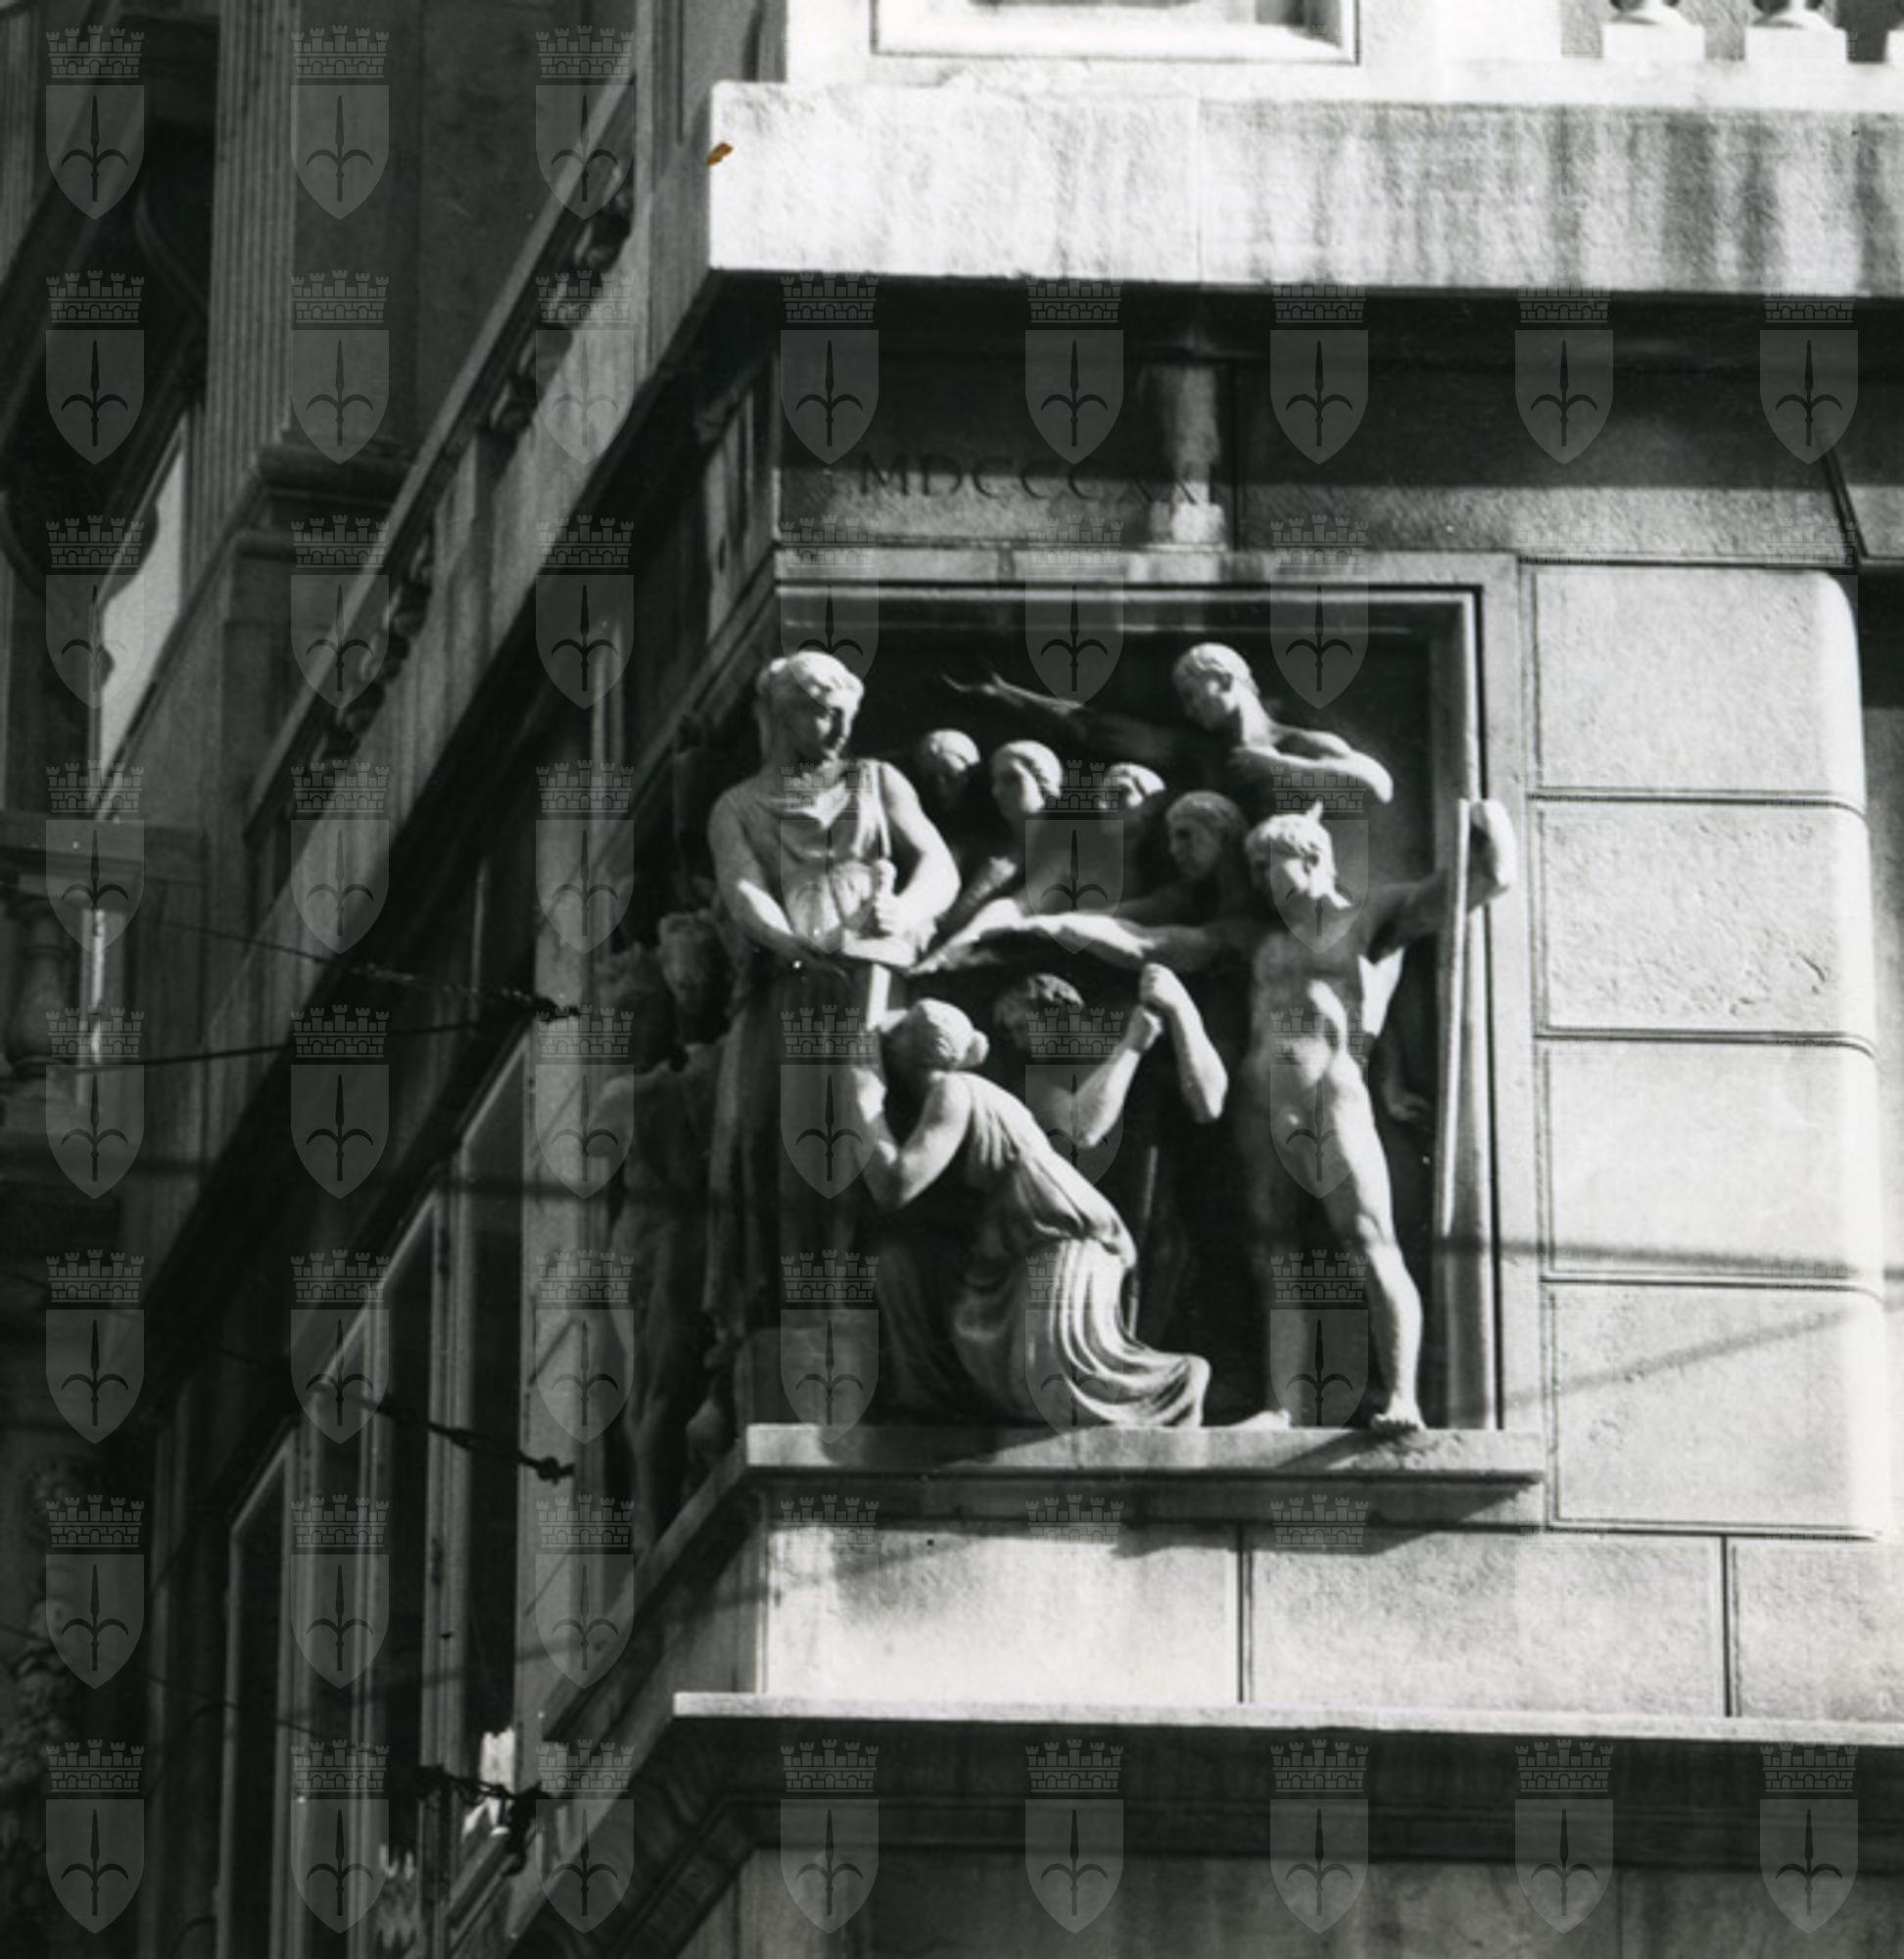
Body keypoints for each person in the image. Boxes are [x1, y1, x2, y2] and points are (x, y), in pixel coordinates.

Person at [986, 798, 1515, 1433]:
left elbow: (1478, 884)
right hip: (1259, 1106)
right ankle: (1280, 1405)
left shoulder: (1370, 915)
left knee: (1369, 1239)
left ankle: (1403, 1397)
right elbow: (1157, 943)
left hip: (1329, 1093)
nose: (1261, 879)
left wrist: (1491, 828)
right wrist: (1065, 927)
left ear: (1311, 856)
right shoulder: (1255, 938)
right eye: (1256, 867)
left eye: (1270, 863)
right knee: (1274, 1258)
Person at [702, 651, 960, 1364]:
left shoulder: (876, 781)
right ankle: (786, 1309)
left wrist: (906, 907)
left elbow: (938, 865)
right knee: (766, 1135)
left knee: (860, 1117)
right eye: (820, 712)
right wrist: (787, 942)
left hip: (870, 970)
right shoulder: (737, 806)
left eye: (846, 714)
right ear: (779, 715)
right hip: (787, 982)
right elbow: (743, 888)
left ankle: (858, 1304)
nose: (839, 728)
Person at [841, 999, 1209, 1428]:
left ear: (913, 1051)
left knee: (1060, 1389)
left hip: (1063, 1236)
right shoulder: (955, 1095)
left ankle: (1178, 1381)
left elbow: (895, 1185)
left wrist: (865, 1099)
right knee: (901, 1270)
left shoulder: (954, 1091)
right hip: (1018, 1246)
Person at [946, 641, 1393, 821]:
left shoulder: (1302, 744)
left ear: (1225, 679)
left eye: (1193, 695)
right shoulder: (1195, 748)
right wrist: (1006, 693)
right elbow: (1095, 729)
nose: (1189, 709)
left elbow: (1376, 787)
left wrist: (1278, 768)